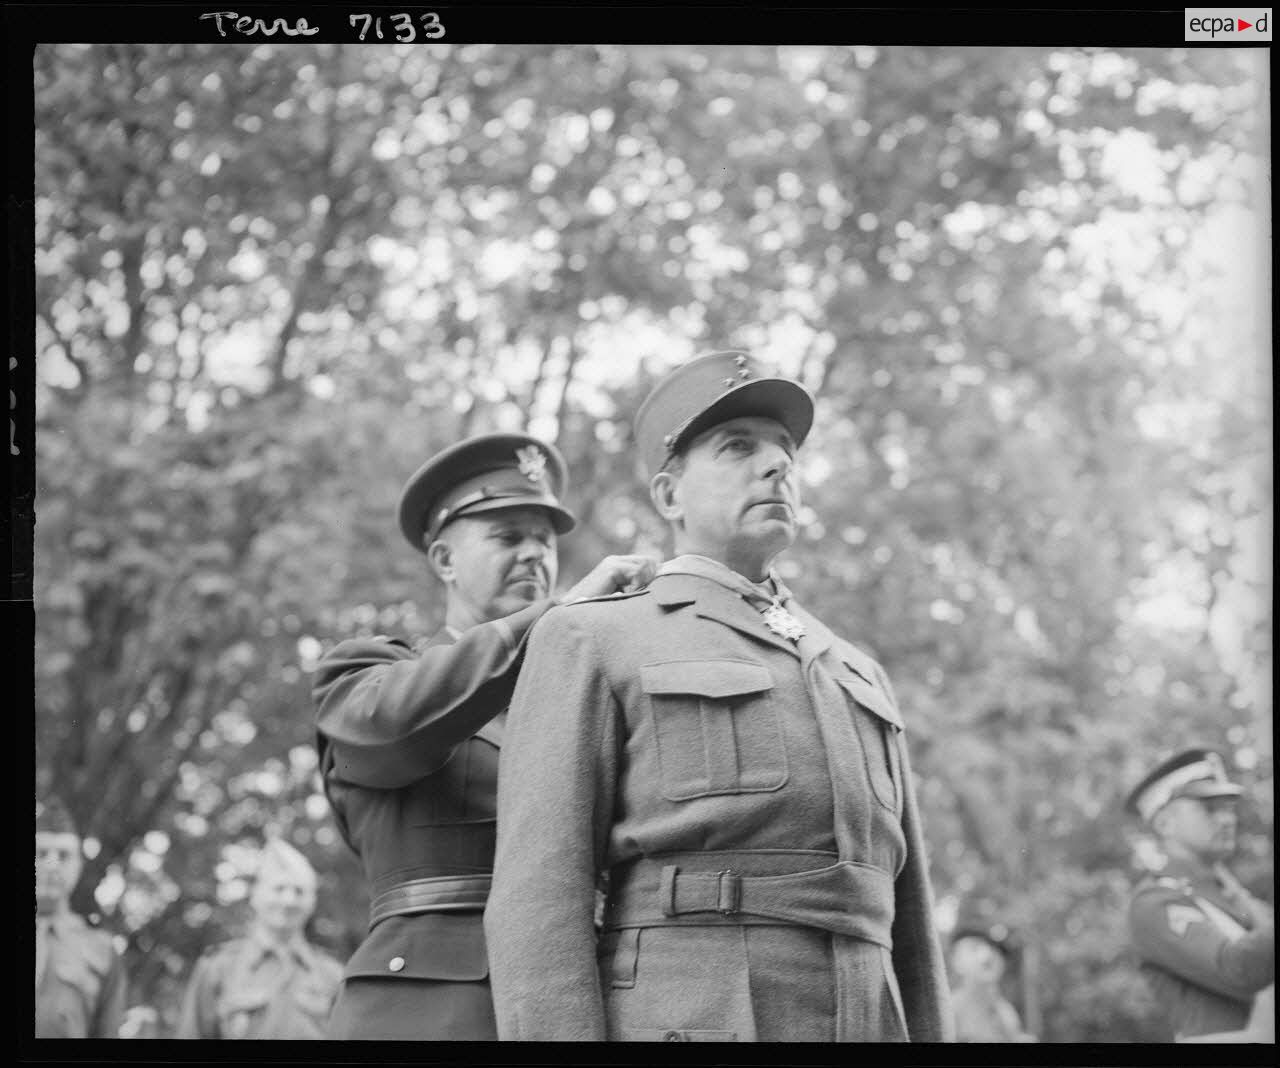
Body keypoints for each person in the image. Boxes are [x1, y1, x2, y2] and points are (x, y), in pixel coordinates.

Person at [484, 351, 953, 1042]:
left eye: (785, 451)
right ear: (670, 495)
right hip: (696, 1017)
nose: (777, 466)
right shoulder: (595, 637)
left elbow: (905, 919)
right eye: (739, 447)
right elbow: (537, 903)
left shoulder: (857, 671)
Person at [312, 432, 656, 1040]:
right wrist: (556, 621)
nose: (534, 555)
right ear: (444, 560)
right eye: (507, 536)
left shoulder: (585, 693)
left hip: (586, 999)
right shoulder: (366, 672)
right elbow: (391, 730)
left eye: (545, 541)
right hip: (430, 1013)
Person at [1125, 746, 1274, 1041]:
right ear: (1165, 823)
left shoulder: (1235, 895)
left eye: (1228, 807)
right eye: (1210, 808)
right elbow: (1237, 968)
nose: (1227, 819)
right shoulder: (1155, 901)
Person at [176, 838, 342, 1039]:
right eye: (279, 888)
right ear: (256, 895)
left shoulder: (332, 975)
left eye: (299, 891)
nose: (289, 901)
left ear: (312, 903)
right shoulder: (218, 968)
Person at [35, 796, 128, 1038]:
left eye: (64, 856)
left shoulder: (102, 949)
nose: (52, 864)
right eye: (41, 853)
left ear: (78, 866)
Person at [948, 925, 1035, 1042]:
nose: (987, 955)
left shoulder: (1007, 1012)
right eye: (974, 948)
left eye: (996, 950)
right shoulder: (948, 1011)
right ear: (956, 961)